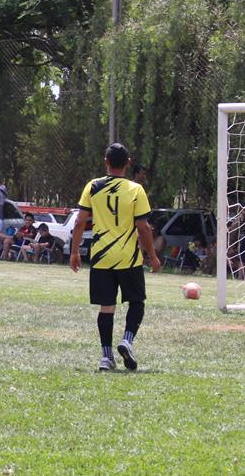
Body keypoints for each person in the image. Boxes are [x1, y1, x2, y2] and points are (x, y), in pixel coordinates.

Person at [70, 143, 161, 372]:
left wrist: (74, 251)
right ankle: (127, 340)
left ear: (106, 162)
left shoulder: (93, 186)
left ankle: (106, 357)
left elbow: (80, 221)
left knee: (106, 307)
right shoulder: (135, 189)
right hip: (128, 258)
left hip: (101, 257)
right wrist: (152, 256)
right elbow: (144, 228)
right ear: (128, 163)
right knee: (137, 301)